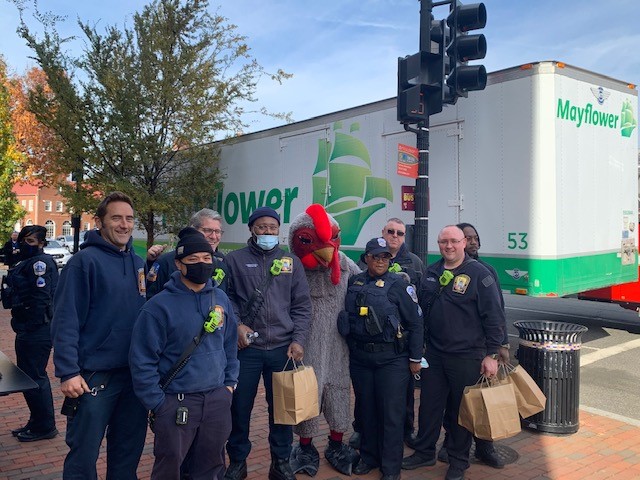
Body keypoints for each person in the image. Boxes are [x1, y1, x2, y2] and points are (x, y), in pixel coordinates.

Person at [51, 191, 148, 480]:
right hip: (93, 379)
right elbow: (66, 319)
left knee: (127, 455)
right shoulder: (83, 263)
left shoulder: (138, 263)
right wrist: (67, 371)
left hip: (133, 378)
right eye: (116, 217)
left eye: (129, 218)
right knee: (83, 456)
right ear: (100, 222)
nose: (124, 224)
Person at [130, 227, 239, 480]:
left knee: (212, 466)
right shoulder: (158, 308)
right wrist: (159, 403)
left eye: (206, 259)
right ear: (179, 264)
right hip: (176, 403)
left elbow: (230, 345)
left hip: (217, 400)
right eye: (193, 260)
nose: (201, 264)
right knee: (169, 468)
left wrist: (229, 386)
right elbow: (142, 361)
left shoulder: (220, 298)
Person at [402, 225, 506, 480]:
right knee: (429, 406)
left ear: (463, 243)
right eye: (443, 242)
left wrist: (492, 355)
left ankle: (459, 462)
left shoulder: (480, 274)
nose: (448, 246)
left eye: (454, 241)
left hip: (467, 355)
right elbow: (421, 313)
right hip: (435, 355)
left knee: (462, 411)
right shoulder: (432, 272)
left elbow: (494, 317)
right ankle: (425, 451)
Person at [224, 206, 312, 480]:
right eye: (261, 227)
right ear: (251, 229)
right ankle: (238, 461)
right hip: (247, 350)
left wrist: (298, 340)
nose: (267, 232)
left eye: (272, 228)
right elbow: (226, 301)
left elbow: (302, 306)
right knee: (239, 409)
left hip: (282, 350)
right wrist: (237, 325)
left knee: (283, 411)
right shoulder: (234, 260)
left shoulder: (291, 262)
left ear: (278, 230)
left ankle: (281, 461)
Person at [340, 237, 423, 480]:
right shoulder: (354, 282)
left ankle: (390, 467)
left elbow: (416, 323)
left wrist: (416, 357)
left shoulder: (399, 284)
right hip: (361, 358)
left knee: (391, 415)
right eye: (375, 256)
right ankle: (368, 456)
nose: (380, 260)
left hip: (392, 360)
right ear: (366, 258)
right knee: (366, 411)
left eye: (385, 256)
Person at [286, 204, 361, 476]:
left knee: (339, 390)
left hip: (339, 346)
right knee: (307, 393)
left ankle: (337, 443)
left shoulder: (343, 264)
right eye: (309, 239)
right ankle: (304, 446)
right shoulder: (291, 268)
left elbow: (365, 282)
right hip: (303, 347)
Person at [434, 223, 511, 469]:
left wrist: (501, 347)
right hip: (449, 354)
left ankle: (485, 447)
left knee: (482, 401)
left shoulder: (484, 271)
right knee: (455, 404)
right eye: (467, 237)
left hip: (477, 352)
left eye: (474, 237)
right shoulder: (445, 269)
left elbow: (497, 312)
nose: (472, 240)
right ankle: (452, 445)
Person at [353, 217, 426, 448]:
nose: (395, 236)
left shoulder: (414, 262)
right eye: (391, 231)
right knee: (366, 401)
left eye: (400, 233)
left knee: (400, 399)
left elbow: (418, 307)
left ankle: (405, 431)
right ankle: (362, 434)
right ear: (383, 233)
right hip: (365, 352)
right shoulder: (362, 267)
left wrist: (416, 351)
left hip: (396, 348)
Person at [2, 226, 58, 442]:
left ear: (42, 243)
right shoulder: (25, 262)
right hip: (29, 328)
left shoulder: (40, 264)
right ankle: (37, 420)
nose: (26, 245)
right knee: (29, 377)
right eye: (24, 240)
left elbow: (41, 299)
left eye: (31, 241)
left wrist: (30, 327)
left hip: (37, 330)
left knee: (35, 377)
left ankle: (45, 426)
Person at [146, 208, 228, 298]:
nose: (213, 236)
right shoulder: (165, 262)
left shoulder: (221, 265)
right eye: (207, 230)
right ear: (193, 230)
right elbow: (150, 298)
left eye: (217, 231)